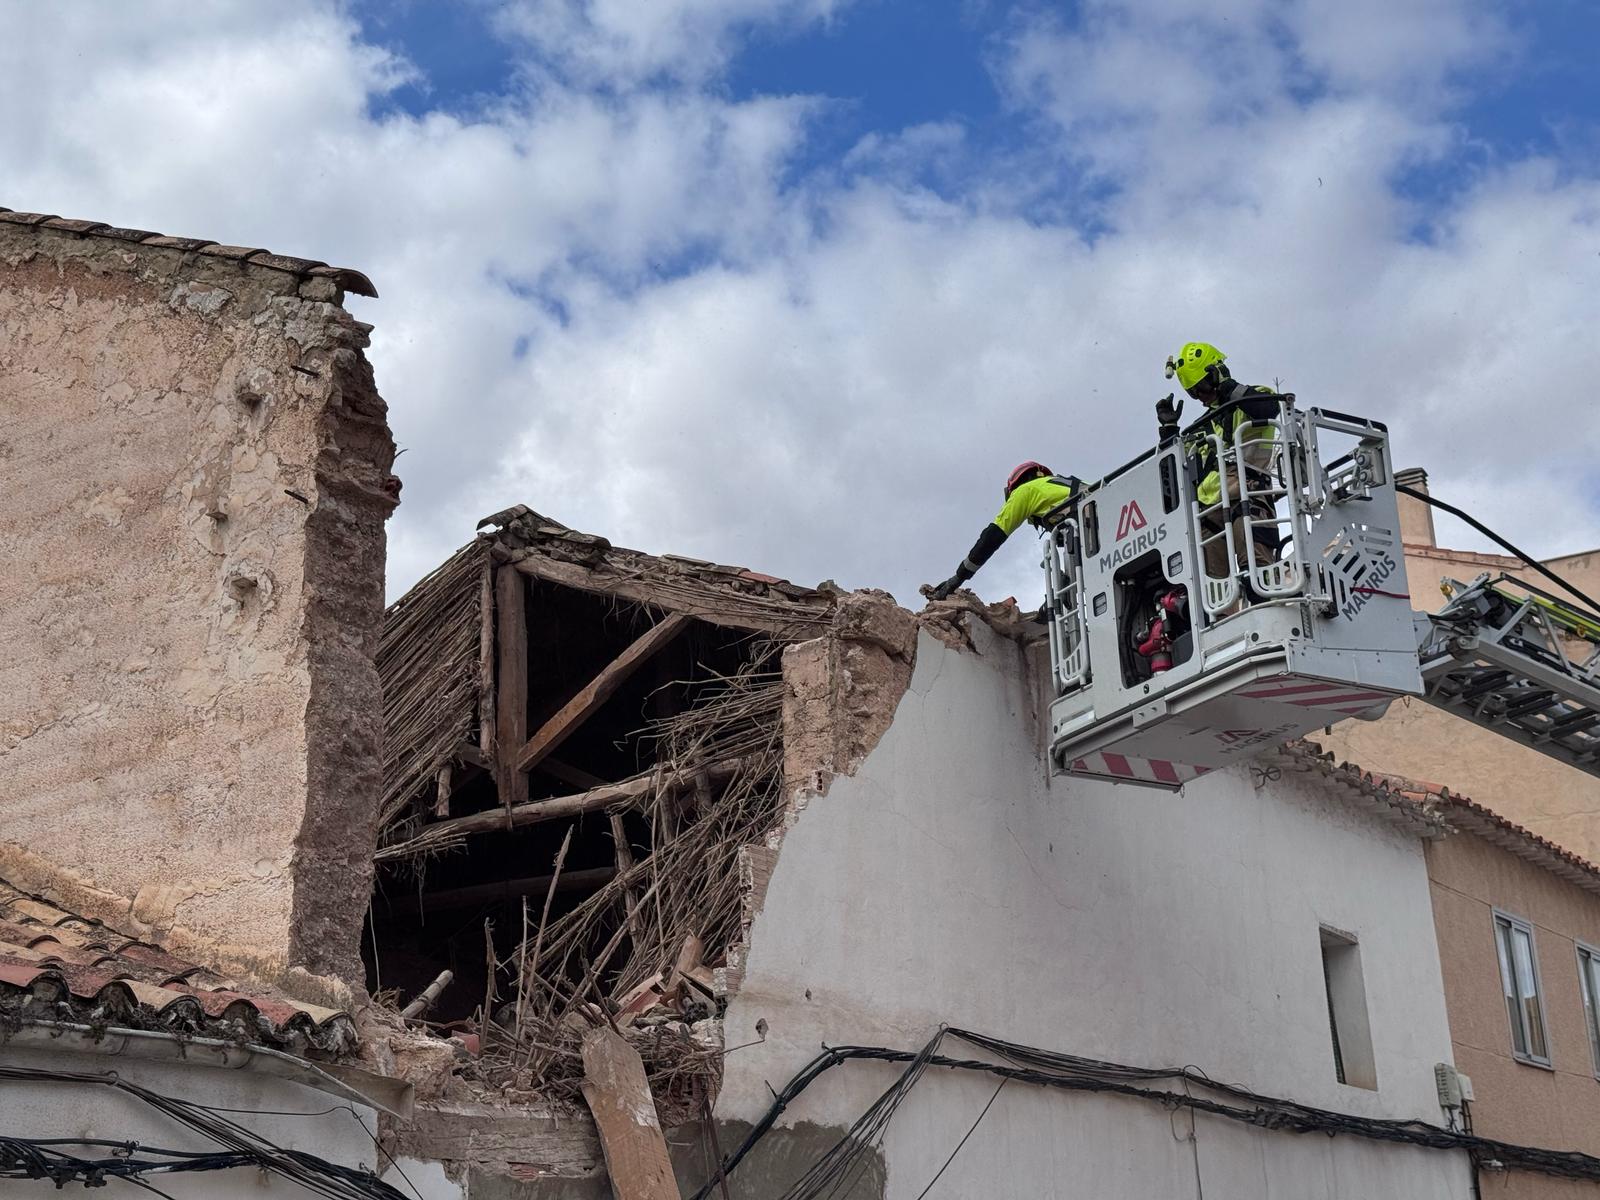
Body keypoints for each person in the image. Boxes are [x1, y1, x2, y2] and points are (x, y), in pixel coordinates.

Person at [1162, 342, 1282, 595]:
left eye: (1202, 387)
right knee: (1215, 592)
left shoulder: (1251, 398)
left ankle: (1265, 599)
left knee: (1257, 574)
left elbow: (1269, 408)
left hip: (1245, 493)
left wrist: (1229, 387)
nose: (1200, 396)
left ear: (1216, 373)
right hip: (1208, 513)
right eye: (1193, 393)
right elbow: (1173, 474)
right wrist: (1169, 433)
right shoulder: (1201, 427)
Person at [927, 462, 1076, 601]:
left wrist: (958, 578)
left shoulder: (1025, 490)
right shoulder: (1066, 486)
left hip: (1084, 527)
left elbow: (992, 536)